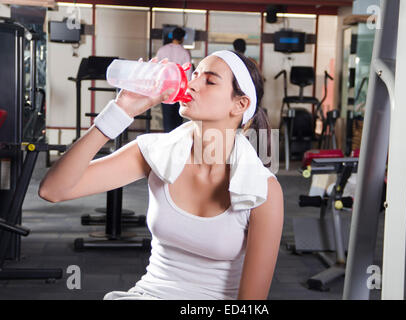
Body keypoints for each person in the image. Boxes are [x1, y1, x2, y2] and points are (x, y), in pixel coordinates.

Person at [38, 50, 284, 300]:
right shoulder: (155, 153)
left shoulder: (262, 190)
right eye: (195, 74)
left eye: (209, 81)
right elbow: (53, 190)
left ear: (239, 105)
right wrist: (121, 111)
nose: (192, 84)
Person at [156, 27, 192, 132]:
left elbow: (157, 69)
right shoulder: (184, 52)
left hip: (165, 88)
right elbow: (187, 73)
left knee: (167, 117)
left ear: (172, 36)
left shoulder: (162, 50)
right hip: (179, 89)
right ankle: (176, 139)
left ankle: (167, 138)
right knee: (177, 118)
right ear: (182, 38)